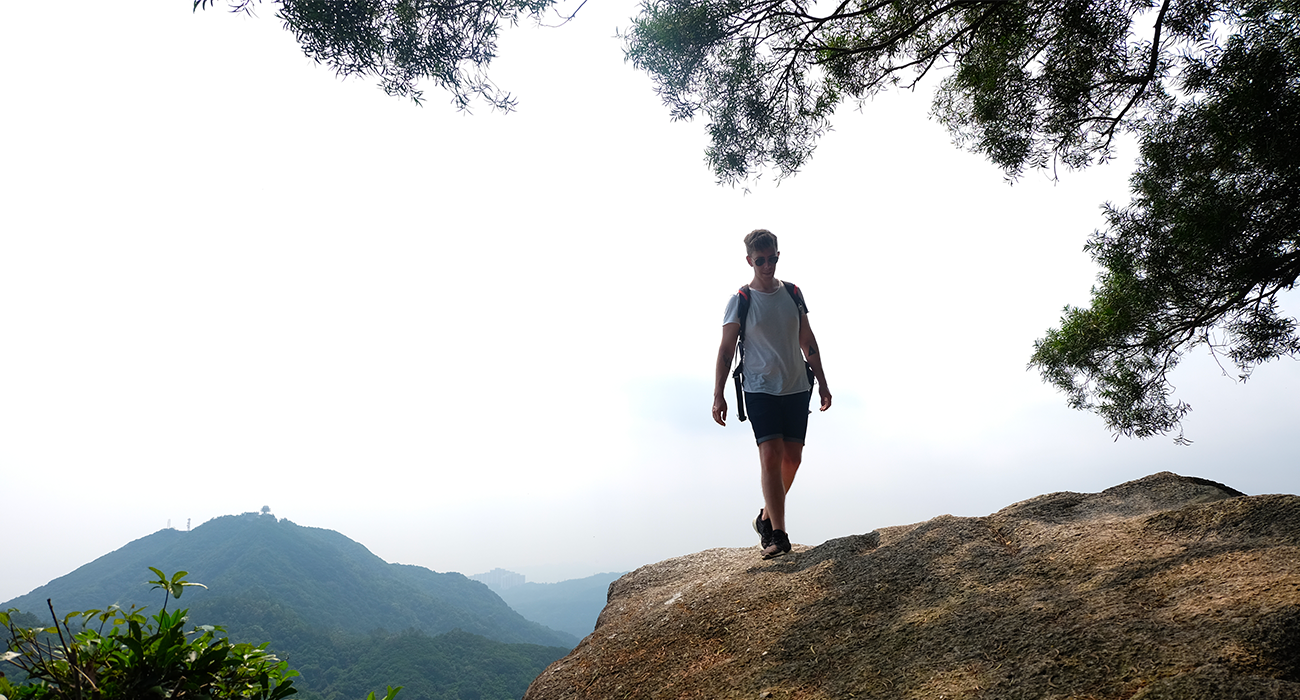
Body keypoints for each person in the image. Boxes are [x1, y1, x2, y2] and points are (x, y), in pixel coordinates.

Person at [712, 229, 832, 559]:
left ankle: (765, 516)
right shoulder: (740, 300)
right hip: (759, 388)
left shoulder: (793, 293)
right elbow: (725, 350)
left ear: (778, 254)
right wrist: (718, 394)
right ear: (750, 260)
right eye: (760, 260)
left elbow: (807, 340)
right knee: (770, 455)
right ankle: (777, 535)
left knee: (792, 458)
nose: (767, 265)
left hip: (795, 386)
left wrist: (822, 382)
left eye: (772, 258)